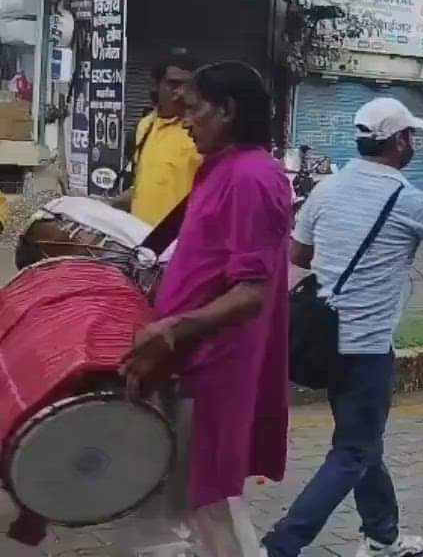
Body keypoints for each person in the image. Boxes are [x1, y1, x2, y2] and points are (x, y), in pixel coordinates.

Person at [262, 97, 423, 557]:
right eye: (411, 135)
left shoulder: (326, 190)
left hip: (325, 339)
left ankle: (382, 536)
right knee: (354, 450)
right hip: (366, 347)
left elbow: (298, 255)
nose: (413, 143)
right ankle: (282, 544)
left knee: (363, 441)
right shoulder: (406, 199)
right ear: (398, 141)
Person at [118, 61, 292, 555]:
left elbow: (251, 292)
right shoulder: (221, 169)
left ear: (228, 110)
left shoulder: (253, 178)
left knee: (211, 503)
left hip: (211, 368)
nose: (185, 118)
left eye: (194, 109)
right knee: (185, 500)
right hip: (186, 362)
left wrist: (172, 328)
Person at [113, 54, 201, 226]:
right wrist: (105, 205)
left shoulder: (201, 130)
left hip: (178, 244)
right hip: (140, 240)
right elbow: (142, 187)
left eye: (187, 85)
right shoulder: (145, 126)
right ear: (157, 86)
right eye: (173, 84)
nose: (181, 92)